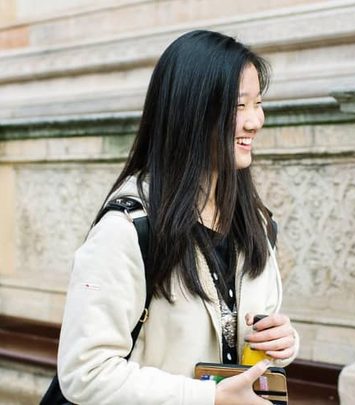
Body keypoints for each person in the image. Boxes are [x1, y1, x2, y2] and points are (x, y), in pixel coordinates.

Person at [56, 30, 298, 405]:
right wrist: (207, 398)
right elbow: (85, 373)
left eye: (258, 103)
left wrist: (282, 342)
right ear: (191, 111)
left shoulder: (256, 223)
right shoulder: (128, 228)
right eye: (239, 106)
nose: (256, 121)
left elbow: (237, 333)